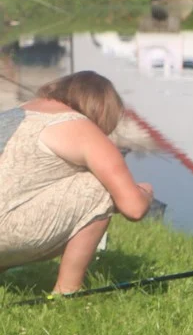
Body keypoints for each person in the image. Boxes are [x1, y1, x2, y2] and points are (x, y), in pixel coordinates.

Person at [0, 70, 152, 293]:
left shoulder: (12, 114)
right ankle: (67, 291)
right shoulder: (80, 126)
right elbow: (134, 208)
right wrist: (146, 193)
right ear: (103, 110)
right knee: (99, 188)